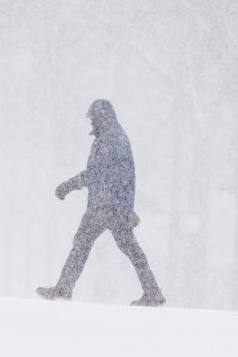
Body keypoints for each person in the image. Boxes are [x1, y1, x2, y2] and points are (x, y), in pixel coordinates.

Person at [37, 99, 165, 306]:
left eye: (93, 119)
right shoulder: (113, 137)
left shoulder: (110, 140)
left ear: (101, 118)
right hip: (112, 204)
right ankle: (152, 292)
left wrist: (70, 185)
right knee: (126, 248)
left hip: (106, 205)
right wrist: (127, 208)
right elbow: (123, 176)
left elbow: (99, 173)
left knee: (83, 245)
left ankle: (64, 288)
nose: (91, 124)